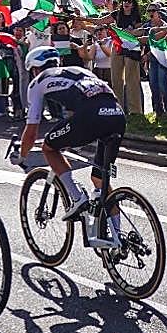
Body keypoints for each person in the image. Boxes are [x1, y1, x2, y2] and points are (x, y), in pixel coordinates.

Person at [11, 47, 126, 247]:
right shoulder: (79, 71)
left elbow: (31, 131)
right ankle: (118, 238)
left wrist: (22, 155)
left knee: (49, 147)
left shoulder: (37, 82)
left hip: (91, 115)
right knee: (100, 180)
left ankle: (76, 198)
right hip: (116, 114)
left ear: (35, 69)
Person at [97, 0, 144, 114]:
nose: (126, 3)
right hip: (117, 46)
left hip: (132, 48)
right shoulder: (116, 14)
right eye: (124, 1)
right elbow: (99, 21)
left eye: (129, 1)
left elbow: (140, 32)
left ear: (133, 4)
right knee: (116, 79)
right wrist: (81, 19)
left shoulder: (136, 17)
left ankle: (135, 111)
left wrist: (132, 32)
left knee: (131, 79)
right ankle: (119, 109)